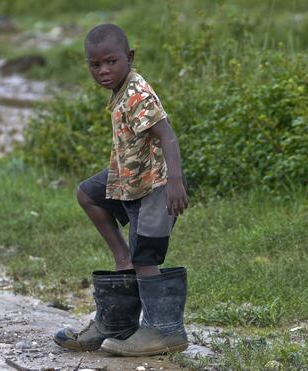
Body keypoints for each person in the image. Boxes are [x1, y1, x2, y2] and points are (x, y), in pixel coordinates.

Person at [53, 24, 190, 357]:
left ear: (129, 58)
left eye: (111, 62)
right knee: (88, 193)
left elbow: (167, 135)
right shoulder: (120, 89)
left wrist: (175, 182)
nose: (103, 71)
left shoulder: (137, 93)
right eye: (95, 65)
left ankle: (162, 331)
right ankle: (118, 316)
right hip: (128, 177)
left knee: (147, 255)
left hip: (156, 184)